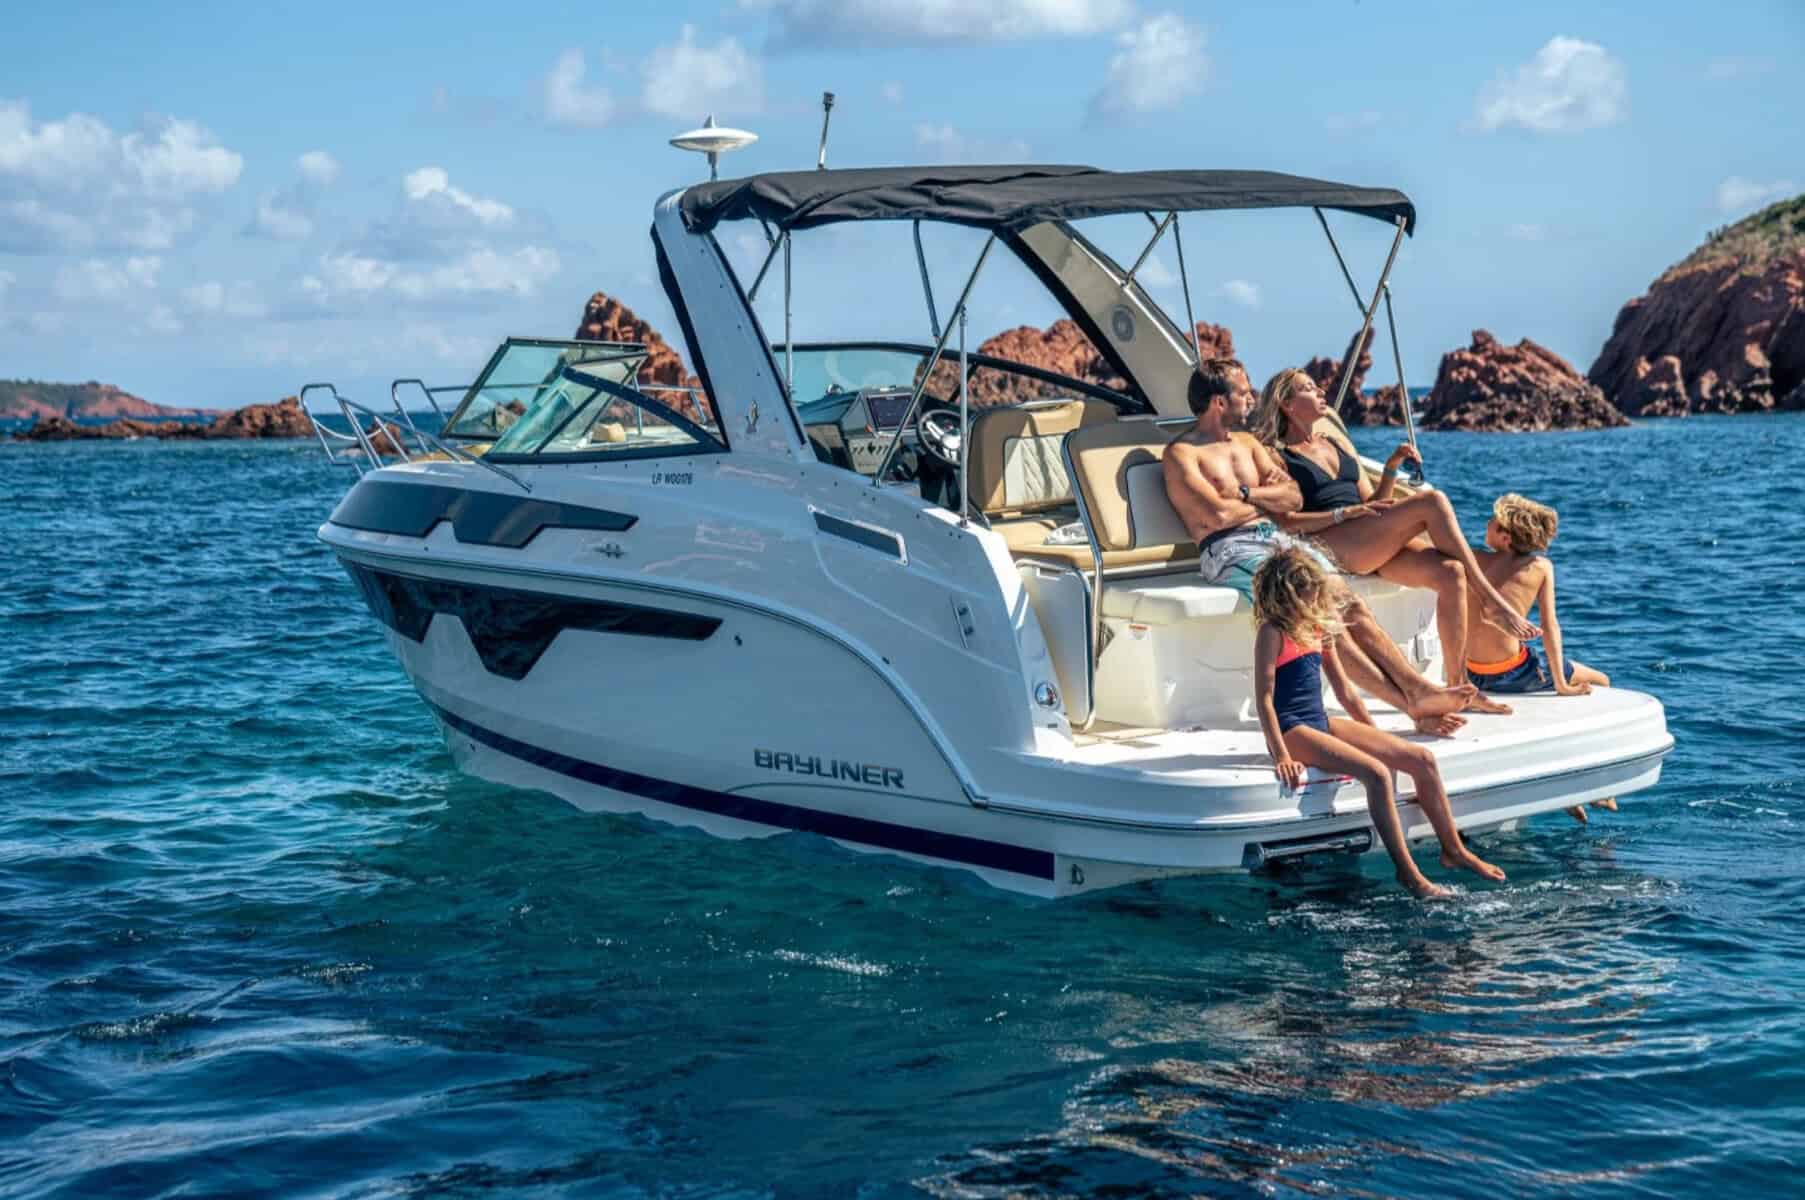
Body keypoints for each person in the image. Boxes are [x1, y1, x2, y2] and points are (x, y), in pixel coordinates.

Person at [1164, 362, 1478, 735]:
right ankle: (1412, 700)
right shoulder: (1182, 454)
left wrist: (1246, 495)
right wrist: (1267, 500)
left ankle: (1417, 690)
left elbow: (1293, 497)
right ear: (1219, 402)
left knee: (1351, 604)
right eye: (1243, 393)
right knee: (1322, 613)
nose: (1251, 399)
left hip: (1276, 538)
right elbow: (1218, 515)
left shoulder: (1247, 444)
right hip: (1231, 549)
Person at [1250, 367, 1541, 703]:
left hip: (1366, 538)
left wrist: (1391, 467)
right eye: (1309, 388)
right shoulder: (1276, 455)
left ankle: (1459, 688)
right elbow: (1286, 521)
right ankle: (1491, 601)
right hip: (1330, 540)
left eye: (1317, 387)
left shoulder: (1335, 443)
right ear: (1286, 404)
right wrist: (1342, 515)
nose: (1320, 393)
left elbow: (1372, 501)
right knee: (1433, 502)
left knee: (1451, 573)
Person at [1251, 548, 1506, 898]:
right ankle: (1409, 874)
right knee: (1377, 774)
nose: (1316, 599)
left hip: (1320, 720)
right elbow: (1264, 699)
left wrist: (1374, 735)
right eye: (1310, 593)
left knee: (1421, 759)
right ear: (1289, 594)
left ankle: (1454, 849)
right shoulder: (1272, 632)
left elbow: (1346, 693)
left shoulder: (1317, 628)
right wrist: (1281, 755)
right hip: (1292, 729)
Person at [1465, 493, 1616, 820]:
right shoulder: (1540, 567)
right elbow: (1550, 626)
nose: (1486, 524)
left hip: (1472, 674)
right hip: (1513, 674)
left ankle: (1573, 787)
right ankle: (1597, 787)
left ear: (1505, 537)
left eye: (1492, 521)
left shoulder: (1473, 559)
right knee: (1602, 680)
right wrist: (1560, 683)